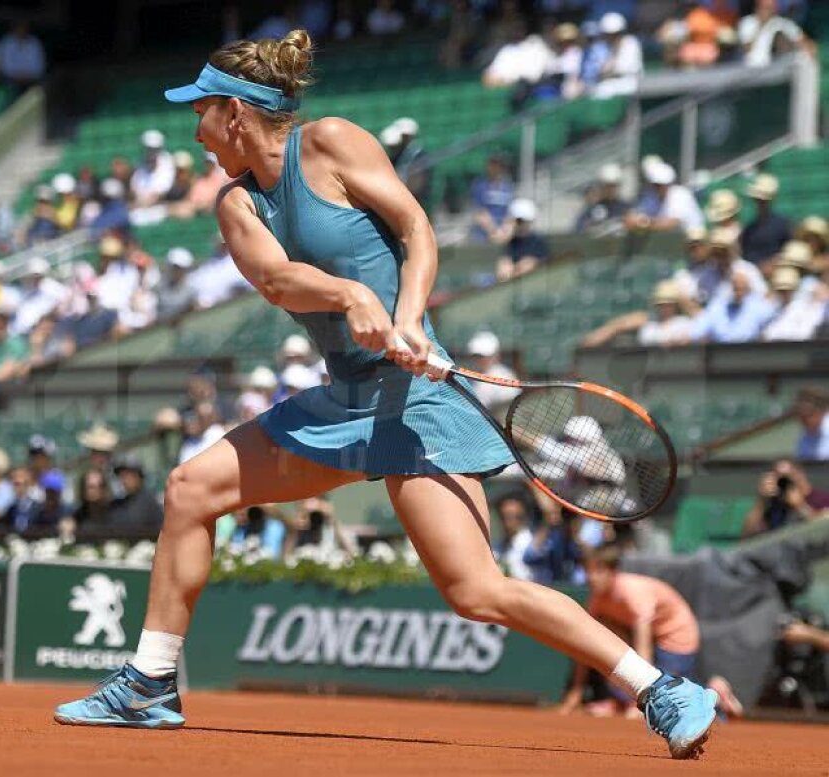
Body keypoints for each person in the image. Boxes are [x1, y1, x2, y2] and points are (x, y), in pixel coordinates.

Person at [55, 29, 721, 758]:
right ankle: (151, 682)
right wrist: (348, 295)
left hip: (417, 403)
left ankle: (661, 687)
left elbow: (415, 228)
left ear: (237, 115)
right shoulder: (237, 206)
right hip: (343, 402)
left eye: (202, 113)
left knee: (476, 591)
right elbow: (278, 280)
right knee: (190, 489)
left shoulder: (334, 143)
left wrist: (405, 316)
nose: (197, 131)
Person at [559, 547, 702, 717]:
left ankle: (718, 696)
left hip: (677, 637)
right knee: (599, 634)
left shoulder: (633, 593)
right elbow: (585, 644)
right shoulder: (597, 599)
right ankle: (620, 701)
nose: (591, 577)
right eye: (587, 571)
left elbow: (644, 649)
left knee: (675, 700)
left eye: (598, 571)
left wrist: (642, 699)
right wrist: (576, 691)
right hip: (648, 639)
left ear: (613, 572)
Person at [581, 279, 696, 348]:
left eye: (668, 303)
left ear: (676, 305)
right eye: (660, 304)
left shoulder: (685, 324)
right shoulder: (649, 323)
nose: (664, 308)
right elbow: (620, 325)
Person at [740, 459, 829, 537]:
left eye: (789, 476)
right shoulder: (775, 504)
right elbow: (747, 535)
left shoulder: (823, 498)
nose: (785, 482)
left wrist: (800, 506)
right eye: (780, 478)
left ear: (800, 474)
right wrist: (761, 502)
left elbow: (824, 530)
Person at [689, 269, 776, 343]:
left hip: (750, 353)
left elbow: (775, 320)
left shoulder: (759, 306)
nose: (738, 291)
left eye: (742, 288)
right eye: (735, 288)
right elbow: (698, 330)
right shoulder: (718, 306)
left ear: (748, 288)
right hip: (721, 353)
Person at [623, 162, 703, 234]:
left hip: (693, 244)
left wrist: (643, 223)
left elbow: (671, 224)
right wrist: (636, 220)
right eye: (655, 185)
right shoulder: (652, 196)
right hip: (670, 243)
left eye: (661, 185)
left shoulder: (680, 194)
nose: (657, 188)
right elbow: (633, 217)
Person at [738, 0, 814, 68]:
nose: (767, 9)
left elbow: (804, 42)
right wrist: (761, 25)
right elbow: (746, 48)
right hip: (750, 69)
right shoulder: (747, 22)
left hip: (776, 68)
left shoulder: (782, 23)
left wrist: (806, 48)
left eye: (770, 6)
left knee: (803, 59)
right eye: (764, 6)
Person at [739, 173, 791, 266]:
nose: (759, 202)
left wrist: (772, 264)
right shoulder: (749, 228)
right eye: (757, 199)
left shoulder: (783, 224)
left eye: (763, 200)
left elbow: (789, 251)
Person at [104, 456, 164, 533]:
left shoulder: (150, 503)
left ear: (139, 476)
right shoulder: (117, 505)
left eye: (128, 474)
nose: (124, 479)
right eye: (121, 475)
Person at [495, 198, 548, 281]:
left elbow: (531, 265)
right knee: (505, 265)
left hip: (530, 282)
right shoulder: (511, 240)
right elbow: (497, 240)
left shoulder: (537, 241)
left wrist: (517, 269)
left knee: (526, 264)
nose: (520, 224)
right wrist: (508, 228)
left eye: (522, 221)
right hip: (510, 283)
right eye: (518, 221)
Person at [465, 331, 519, 412]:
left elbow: (508, 411)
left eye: (483, 356)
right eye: (476, 355)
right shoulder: (466, 375)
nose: (479, 359)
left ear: (496, 355)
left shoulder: (505, 377)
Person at [469, 154, 515, 244]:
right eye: (492, 164)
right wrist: (493, 231)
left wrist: (504, 231)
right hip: (483, 235)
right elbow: (480, 212)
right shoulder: (480, 185)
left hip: (502, 234)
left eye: (498, 165)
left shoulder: (507, 187)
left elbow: (509, 213)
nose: (495, 168)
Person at [574, 163, 628, 234]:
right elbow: (579, 229)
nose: (611, 189)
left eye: (614, 186)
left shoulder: (625, 208)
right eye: (607, 186)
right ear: (601, 186)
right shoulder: (592, 209)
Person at [493, 493, 534, 581]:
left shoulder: (533, 543)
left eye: (514, 516)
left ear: (524, 516)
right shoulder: (495, 547)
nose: (508, 522)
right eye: (504, 516)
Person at [0, 21, 46, 86]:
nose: (22, 31)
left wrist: (26, 77)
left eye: (24, 28)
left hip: (31, 82)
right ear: (14, 29)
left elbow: (39, 68)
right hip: (9, 81)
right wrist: (16, 76)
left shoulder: (35, 43)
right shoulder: (7, 42)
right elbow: (4, 66)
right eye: (19, 28)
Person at [793, 389, 828, 462]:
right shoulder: (804, 437)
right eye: (800, 416)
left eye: (807, 415)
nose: (803, 421)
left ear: (821, 412)